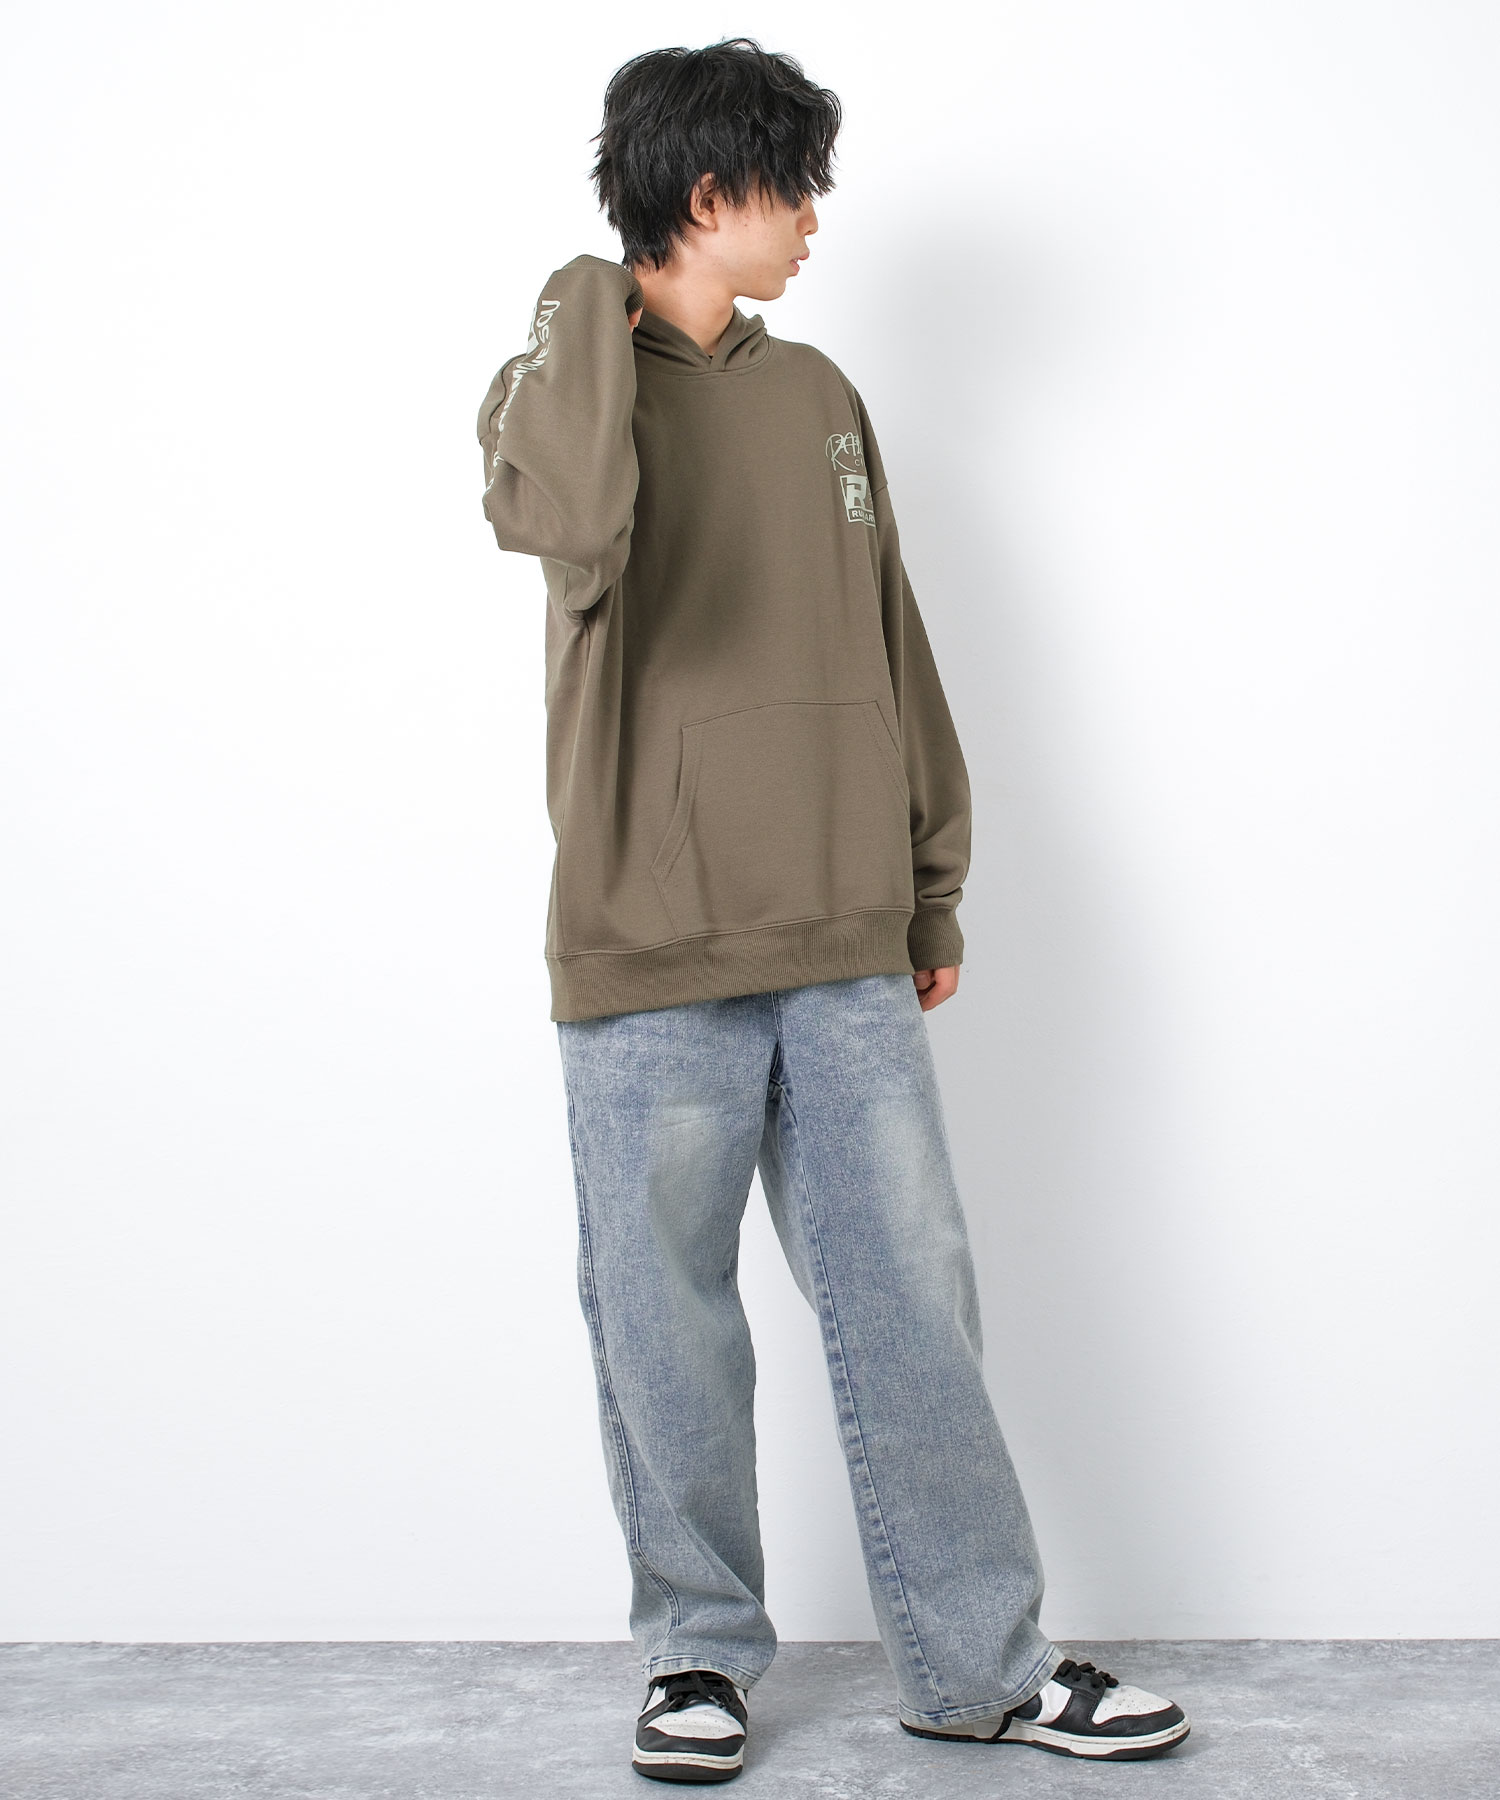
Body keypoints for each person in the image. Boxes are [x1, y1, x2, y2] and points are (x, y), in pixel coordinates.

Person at [475, 36, 1190, 1785]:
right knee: (664, 1321)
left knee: (911, 1303)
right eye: (793, 190)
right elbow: (572, 518)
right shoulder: (560, 384)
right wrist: (586, 289)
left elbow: (888, 637)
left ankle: (981, 1666)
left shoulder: (818, 395)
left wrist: (930, 877)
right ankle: (695, 1658)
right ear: (708, 192)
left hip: (844, 932)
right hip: (652, 941)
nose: (815, 223)